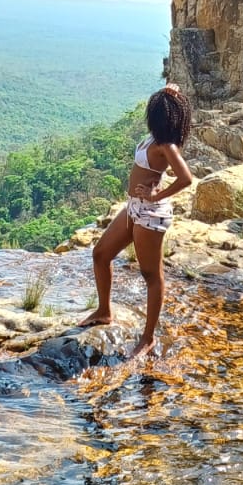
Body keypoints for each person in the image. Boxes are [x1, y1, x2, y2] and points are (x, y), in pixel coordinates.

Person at [80, 84, 193, 356]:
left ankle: (148, 338)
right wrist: (170, 91)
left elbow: (186, 178)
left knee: (151, 275)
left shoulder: (166, 145)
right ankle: (104, 310)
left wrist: (156, 196)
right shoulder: (155, 137)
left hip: (151, 214)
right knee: (100, 254)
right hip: (133, 208)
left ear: (160, 118)